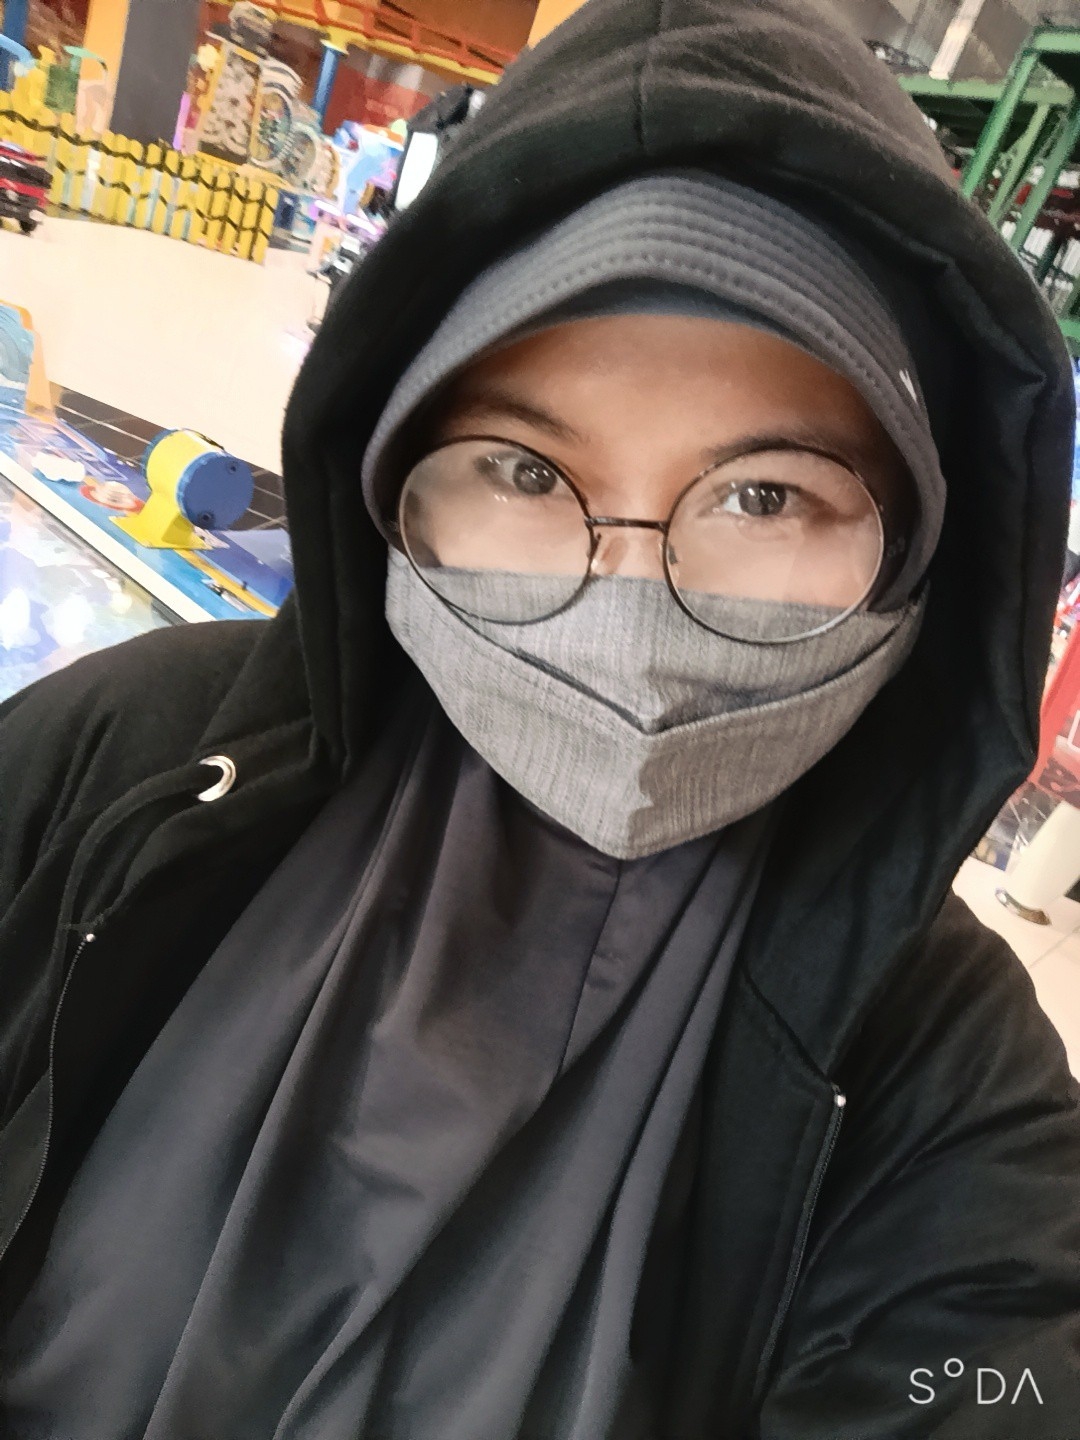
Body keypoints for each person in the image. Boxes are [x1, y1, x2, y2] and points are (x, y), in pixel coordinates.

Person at [2, 1, 1080, 1436]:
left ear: (924, 552)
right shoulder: (124, 765)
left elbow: (995, 1375)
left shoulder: (944, 1076)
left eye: (765, 496)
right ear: (389, 474)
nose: (625, 611)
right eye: (520, 470)